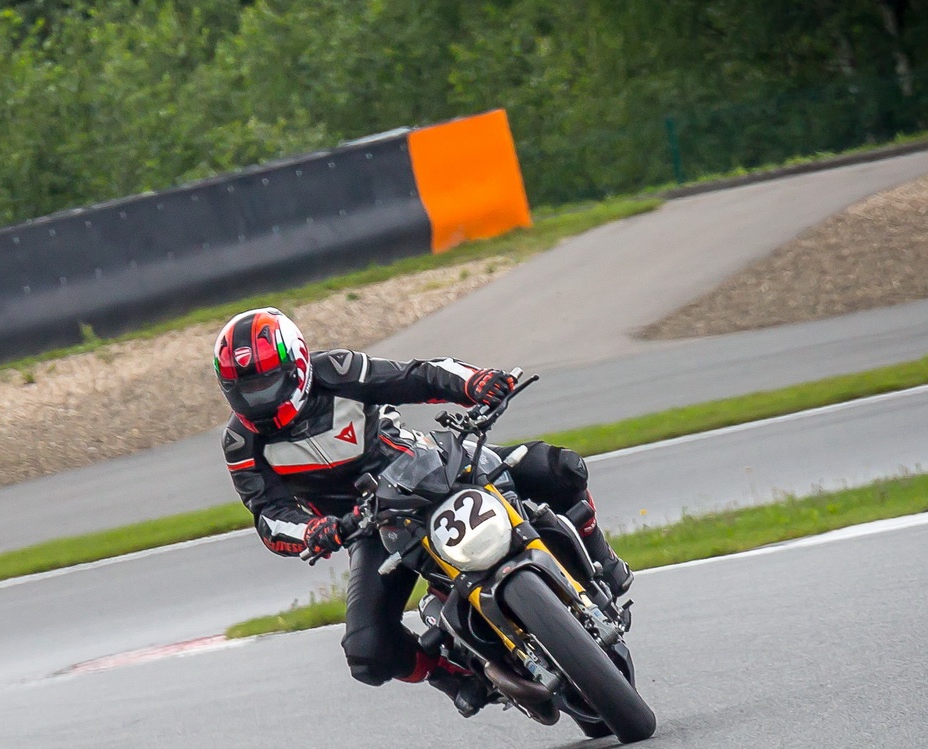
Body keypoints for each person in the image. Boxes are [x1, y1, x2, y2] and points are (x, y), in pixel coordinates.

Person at [214, 306, 632, 716]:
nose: (258, 399)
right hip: (369, 525)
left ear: (297, 366)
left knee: (560, 468)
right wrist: (313, 531)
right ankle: (450, 674)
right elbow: (268, 514)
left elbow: (416, 376)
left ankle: (603, 561)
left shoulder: (337, 371)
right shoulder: (241, 443)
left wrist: (475, 383)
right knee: (366, 650)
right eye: (245, 390)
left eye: (266, 384)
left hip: (431, 466)